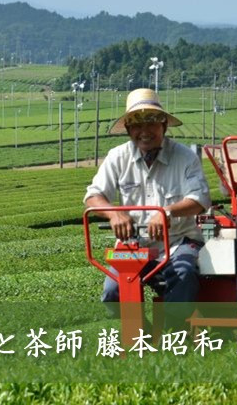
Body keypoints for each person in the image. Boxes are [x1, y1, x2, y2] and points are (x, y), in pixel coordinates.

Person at [84, 88, 211, 306]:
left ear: (163, 126)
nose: (145, 131)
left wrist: (168, 214)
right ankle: (139, 337)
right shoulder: (117, 157)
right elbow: (93, 197)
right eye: (137, 125)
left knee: (183, 276)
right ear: (128, 129)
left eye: (151, 123)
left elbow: (199, 200)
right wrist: (114, 215)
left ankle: (173, 334)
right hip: (133, 244)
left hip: (178, 241)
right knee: (113, 291)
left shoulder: (185, 157)